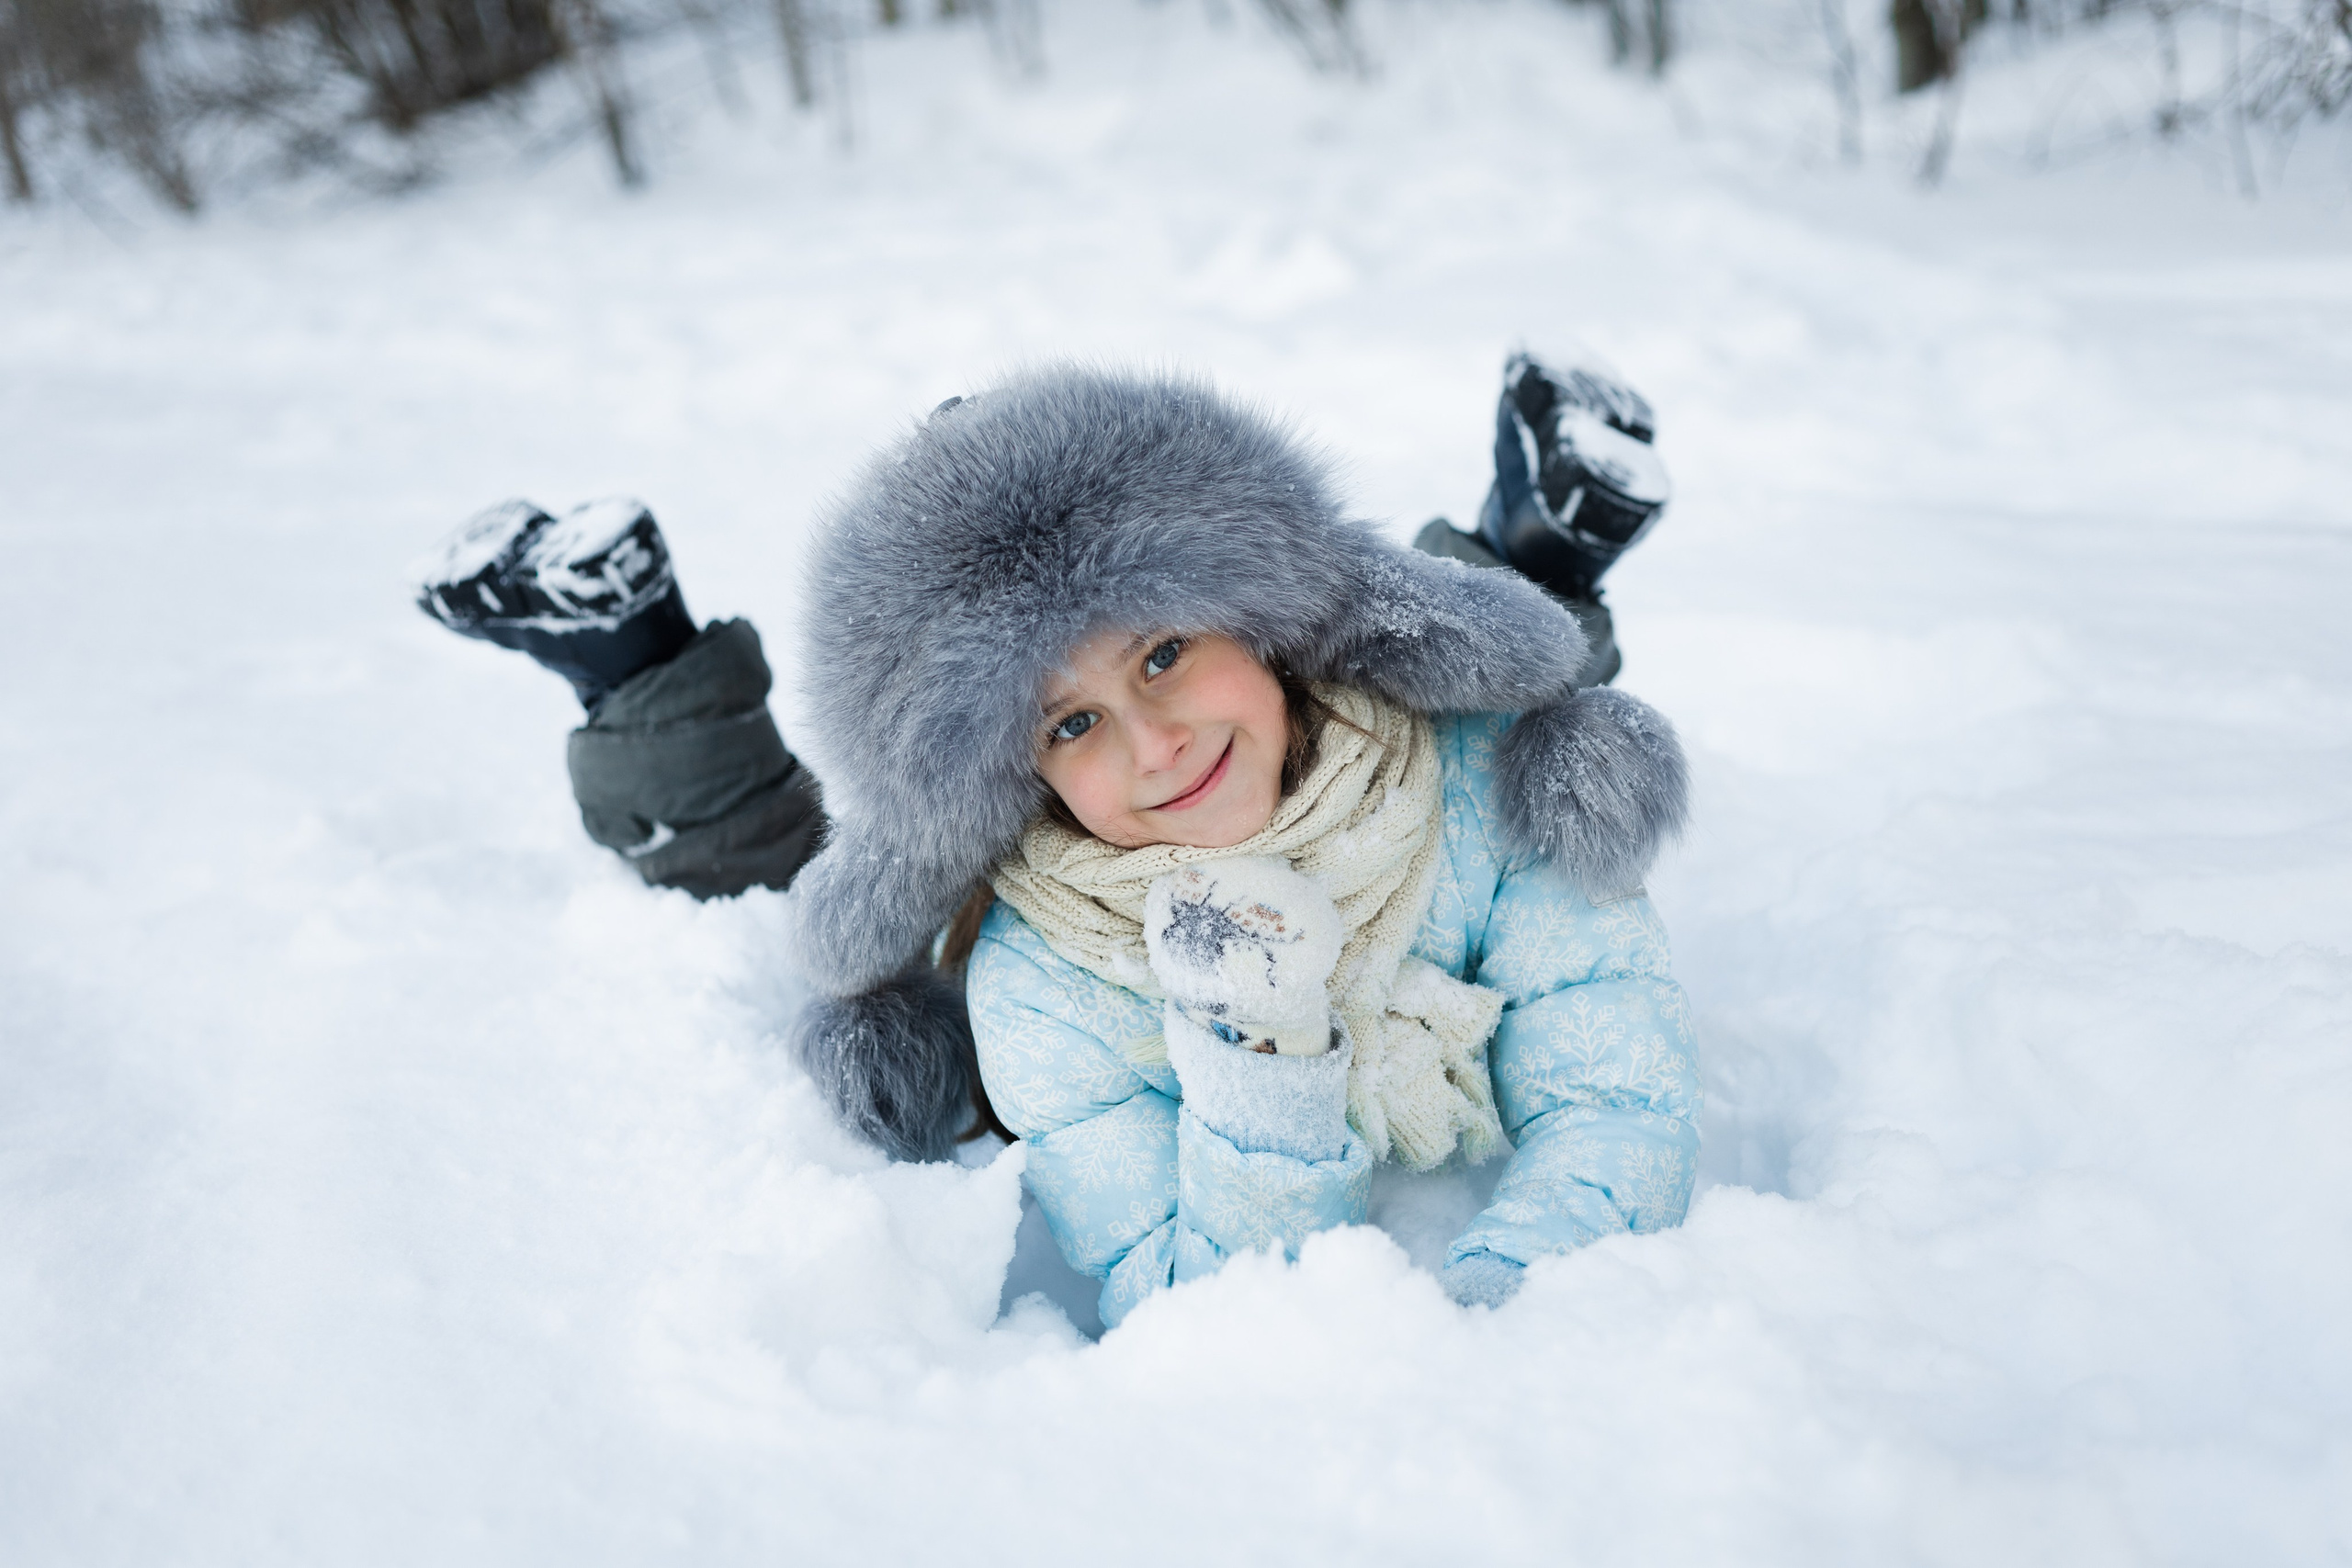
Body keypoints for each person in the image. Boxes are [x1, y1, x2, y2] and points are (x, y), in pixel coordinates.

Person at [415, 354, 1698, 1323]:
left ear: (1250, 622)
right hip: (1031, 870)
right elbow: (1213, 1316)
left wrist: (1515, 1321)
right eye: (1072, 722)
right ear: (1016, 774)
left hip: (1349, 662)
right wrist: (1256, 1043)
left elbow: (1617, 1101)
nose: (1153, 744)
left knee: (1438, 659)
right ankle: (634, 656)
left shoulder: (1477, 798)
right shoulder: (1043, 983)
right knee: (785, 880)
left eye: (1163, 652)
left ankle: (1542, 542)